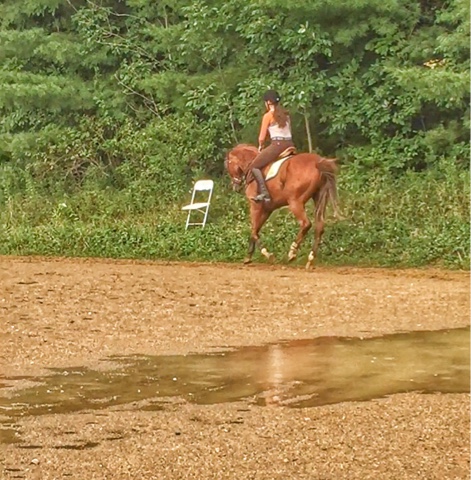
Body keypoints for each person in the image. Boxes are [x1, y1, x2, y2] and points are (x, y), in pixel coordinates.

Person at [251, 90, 294, 202]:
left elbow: (262, 137)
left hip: (277, 145)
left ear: (268, 102)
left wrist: (261, 146)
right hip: (289, 144)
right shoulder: (286, 114)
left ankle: (264, 193)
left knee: (254, 166)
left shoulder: (268, 116)